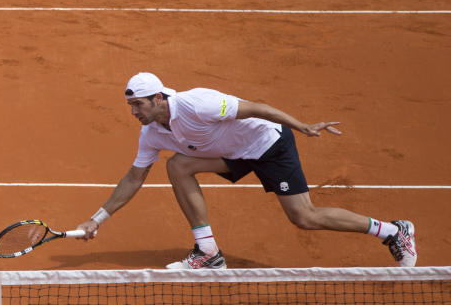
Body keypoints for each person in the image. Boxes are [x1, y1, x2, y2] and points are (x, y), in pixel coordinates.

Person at [77, 72, 418, 269]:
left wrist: (302, 126)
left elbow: (256, 107)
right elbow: (134, 178)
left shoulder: (198, 102)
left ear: (158, 98)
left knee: (304, 217)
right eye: (130, 106)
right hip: (234, 153)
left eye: (137, 104)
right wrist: (98, 218)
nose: (133, 112)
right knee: (178, 165)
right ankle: (208, 252)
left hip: (267, 143)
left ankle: (392, 231)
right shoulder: (151, 133)